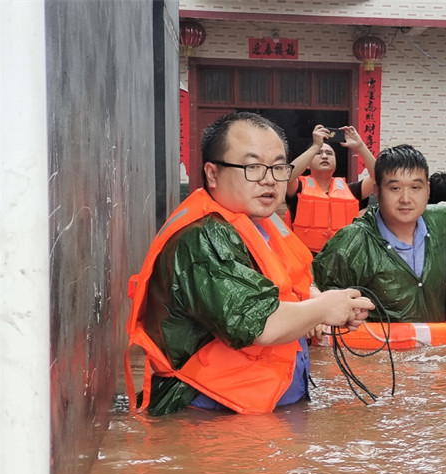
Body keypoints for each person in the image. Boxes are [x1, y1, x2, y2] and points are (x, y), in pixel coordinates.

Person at [125, 112, 374, 416]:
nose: (269, 179)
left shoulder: (263, 225)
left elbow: (292, 286)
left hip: (263, 408)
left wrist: (319, 305)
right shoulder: (203, 237)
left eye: (278, 167)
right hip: (211, 417)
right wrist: (323, 309)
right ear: (212, 173)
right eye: (253, 166)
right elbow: (261, 323)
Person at [312, 144, 446, 322]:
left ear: (428, 189)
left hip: (439, 346)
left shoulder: (442, 221)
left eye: (415, 188)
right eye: (395, 188)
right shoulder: (352, 241)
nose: (406, 199)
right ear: (377, 191)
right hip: (381, 347)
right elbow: (314, 290)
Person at [285, 124, 377, 253]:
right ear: (307, 165)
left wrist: (361, 146)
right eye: (318, 153)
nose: (324, 156)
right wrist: (315, 146)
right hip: (306, 259)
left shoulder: (351, 190)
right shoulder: (298, 187)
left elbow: (377, 178)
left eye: (329, 153)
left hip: (341, 259)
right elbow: (286, 176)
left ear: (335, 162)